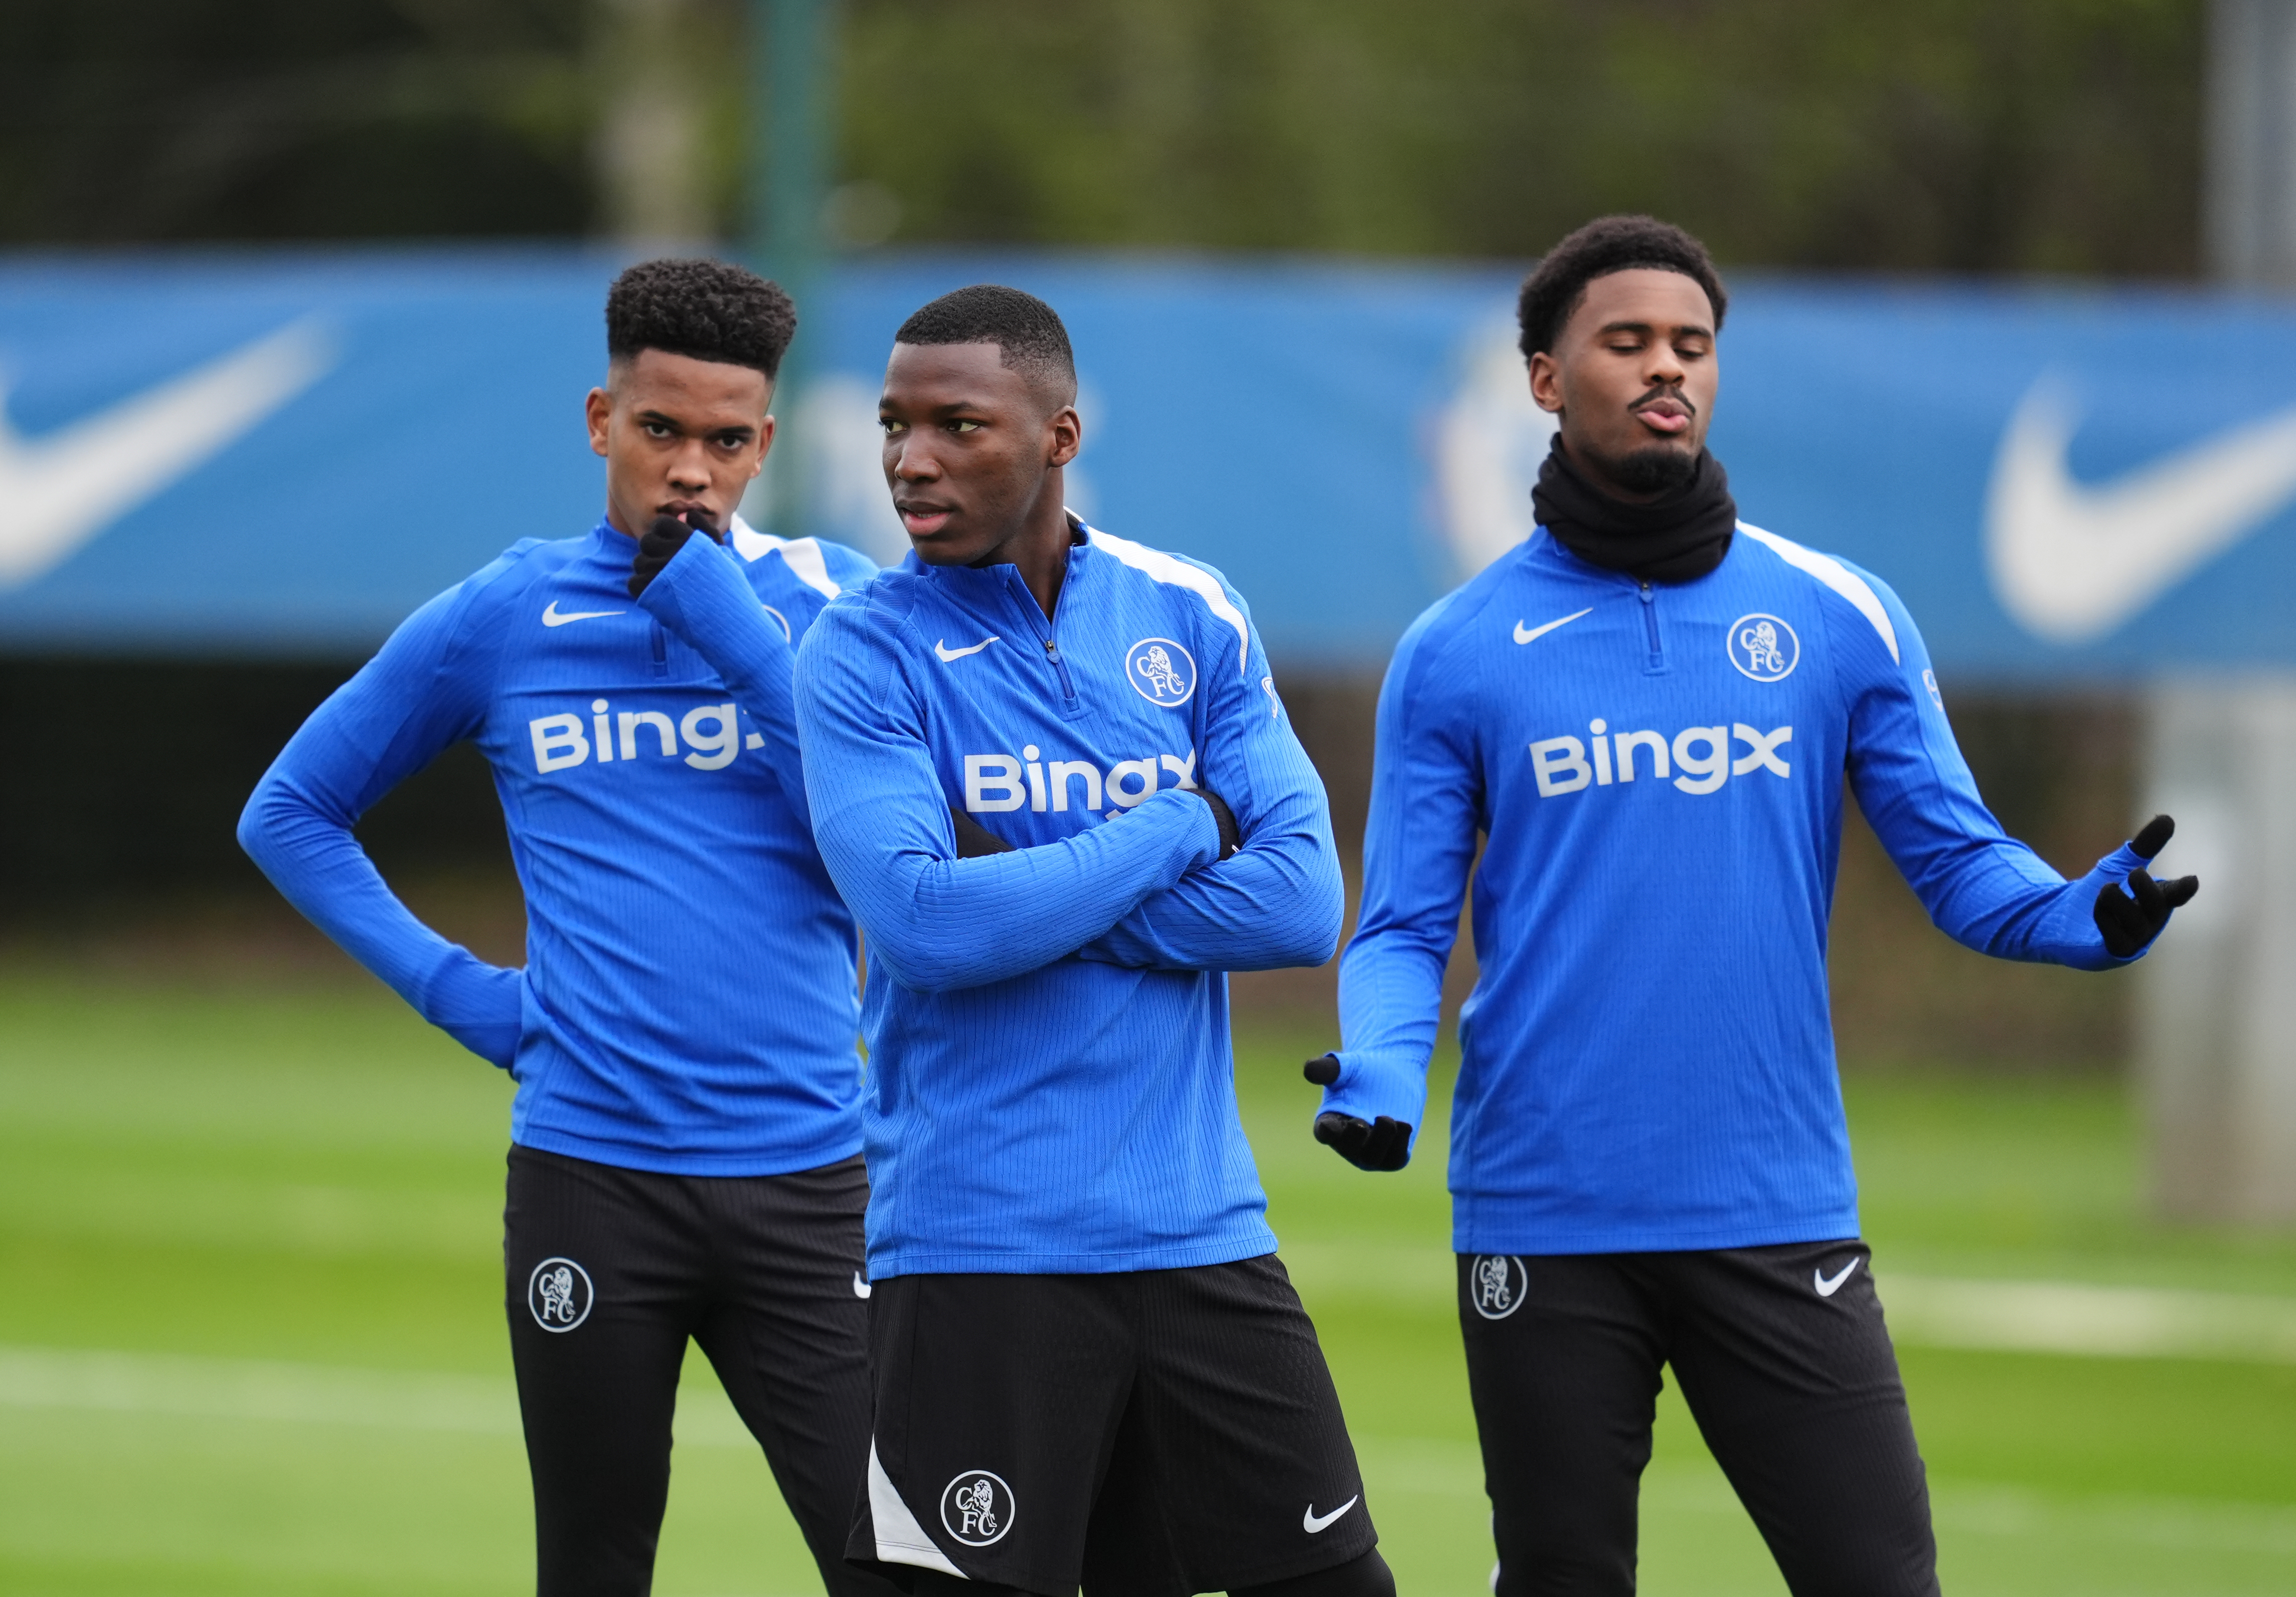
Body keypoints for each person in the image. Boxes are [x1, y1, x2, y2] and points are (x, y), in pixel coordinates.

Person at [1307, 216, 2199, 1597]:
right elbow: (1402, 927)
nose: (1666, 369)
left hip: (1773, 1203)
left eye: (1691, 345)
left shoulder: (1837, 612)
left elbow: (1962, 867)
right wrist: (1374, 1073)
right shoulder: (1457, 652)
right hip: (1543, 1211)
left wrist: (2083, 918)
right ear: (1544, 379)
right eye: (1626, 343)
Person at [660, 280, 1389, 1597]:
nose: (908, 459)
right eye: (892, 425)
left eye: (957, 425)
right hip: (979, 1250)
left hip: (1201, 1237)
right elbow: (928, 928)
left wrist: (1032, 902)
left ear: (1057, 437)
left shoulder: (1190, 610)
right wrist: (1174, 825)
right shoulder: (861, 655)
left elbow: (1296, 906)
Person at [238, 257, 897, 1597]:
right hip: (590, 1181)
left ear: (765, 443)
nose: (691, 473)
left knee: (900, 1566)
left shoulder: (835, 606)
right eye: (661, 433)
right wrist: (458, 991)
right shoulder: (506, 614)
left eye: (724, 441)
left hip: (816, 1181)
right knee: (592, 1568)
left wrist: (733, 632)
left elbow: (894, 840)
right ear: (601, 420)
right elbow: (293, 811)